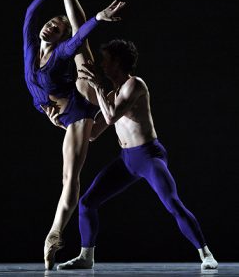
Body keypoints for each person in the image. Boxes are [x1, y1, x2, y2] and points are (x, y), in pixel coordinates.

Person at [53, 39, 218, 270]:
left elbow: (110, 117)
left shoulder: (135, 85)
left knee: (172, 202)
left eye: (106, 60)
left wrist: (98, 86)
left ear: (117, 63)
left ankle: (206, 254)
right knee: (87, 202)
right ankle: (86, 256)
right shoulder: (111, 94)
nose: (102, 64)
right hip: (127, 160)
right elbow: (93, 133)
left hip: (149, 157)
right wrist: (63, 123)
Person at [22, 0, 126, 270]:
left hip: (79, 103)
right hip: (66, 115)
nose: (50, 27)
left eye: (57, 27)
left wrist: (98, 18)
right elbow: (29, 14)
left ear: (60, 36)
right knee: (77, 160)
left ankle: (53, 233)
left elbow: (78, 33)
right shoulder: (30, 49)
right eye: (51, 24)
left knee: (71, 176)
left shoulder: (62, 52)